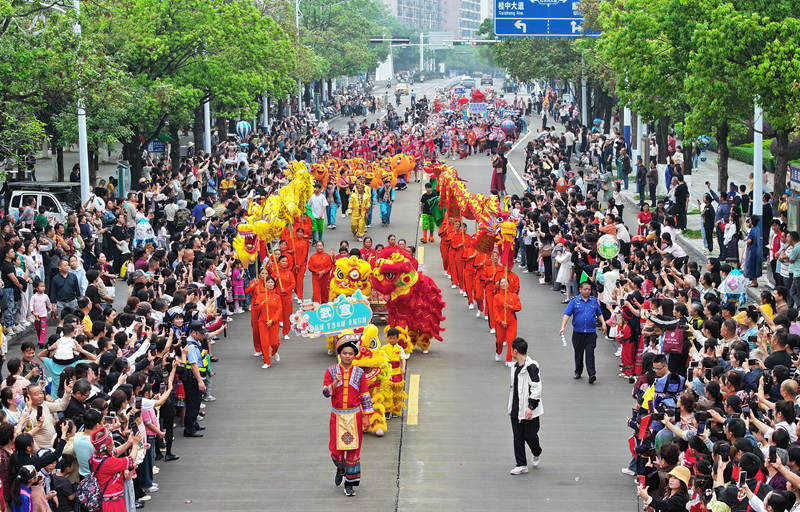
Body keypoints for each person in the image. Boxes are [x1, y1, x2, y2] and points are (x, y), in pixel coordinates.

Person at [322, 333, 374, 497]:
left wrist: (367, 416)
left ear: (354, 355)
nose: (347, 356)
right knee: (335, 449)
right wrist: (335, 382)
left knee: (353, 451)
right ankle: (340, 466)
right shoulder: (330, 371)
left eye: (350, 353)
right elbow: (325, 392)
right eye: (344, 353)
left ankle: (350, 484)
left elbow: (365, 395)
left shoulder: (359, 373)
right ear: (340, 354)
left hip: (354, 417)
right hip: (337, 417)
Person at [507, 338, 543, 475]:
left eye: (511, 349)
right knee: (518, 436)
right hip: (516, 407)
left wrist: (531, 406)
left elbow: (537, 388)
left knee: (530, 435)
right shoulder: (514, 366)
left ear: (515, 351)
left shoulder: (532, 367)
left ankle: (537, 451)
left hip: (529, 409)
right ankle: (521, 464)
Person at [559, 281, 607, 384]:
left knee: (590, 353)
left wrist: (603, 323)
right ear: (580, 290)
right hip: (578, 333)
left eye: (589, 289)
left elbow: (599, 313)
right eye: (585, 289)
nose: (587, 291)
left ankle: (592, 374)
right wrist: (563, 327)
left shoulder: (594, 301)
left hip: (591, 333)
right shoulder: (574, 301)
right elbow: (567, 314)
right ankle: (578, 371)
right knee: (578, 353)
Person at [181, 321, 207, 438]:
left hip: (195, 377)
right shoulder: (191, 346)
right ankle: (189, 428)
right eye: (201, 333)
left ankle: (194, 423)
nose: (204, 335)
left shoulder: (195, 342)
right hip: (192, 379)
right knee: (192, 403)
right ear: (194, 333)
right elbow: (193, 364)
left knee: (196, 402)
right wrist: (200, 381)